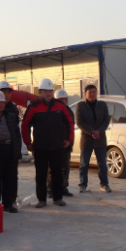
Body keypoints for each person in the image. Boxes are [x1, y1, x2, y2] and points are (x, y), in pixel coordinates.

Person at [21, 78, 74, 208]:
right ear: (40, 92)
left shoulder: (60, 106)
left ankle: (58, 198)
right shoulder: (33, 107)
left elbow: (69, 122)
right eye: (45, 91)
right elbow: (25, 124)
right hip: (40, 147)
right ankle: (42, 199)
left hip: (57, 147)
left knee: (57, 173)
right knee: (41, 174)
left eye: (50, 91)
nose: (48, 94)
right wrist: (28, 143)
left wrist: (68, 139)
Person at [76, 84, 111, 193]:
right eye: (89, 92)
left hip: (100, 139)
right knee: (84, 164)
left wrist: (99, 131)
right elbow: (79, 122)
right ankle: (83, 185)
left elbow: (106, 120)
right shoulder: (80, 106)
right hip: (86, 140)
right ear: (85, 94)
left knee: (102, 164)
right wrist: (91, 131)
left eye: (94, 92)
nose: (92, 94)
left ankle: (104, 184)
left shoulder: (102, 105)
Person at [47, 89, 74, 196]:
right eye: (60, 99)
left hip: (66, 145)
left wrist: (69, 141)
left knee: (65, 168)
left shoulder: (69, 111)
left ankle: (63, 187)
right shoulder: (51, 111)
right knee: (52, 168)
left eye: (65, 99)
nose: (63, 101)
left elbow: (71, 128)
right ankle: (50, 188)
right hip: (54, 145)